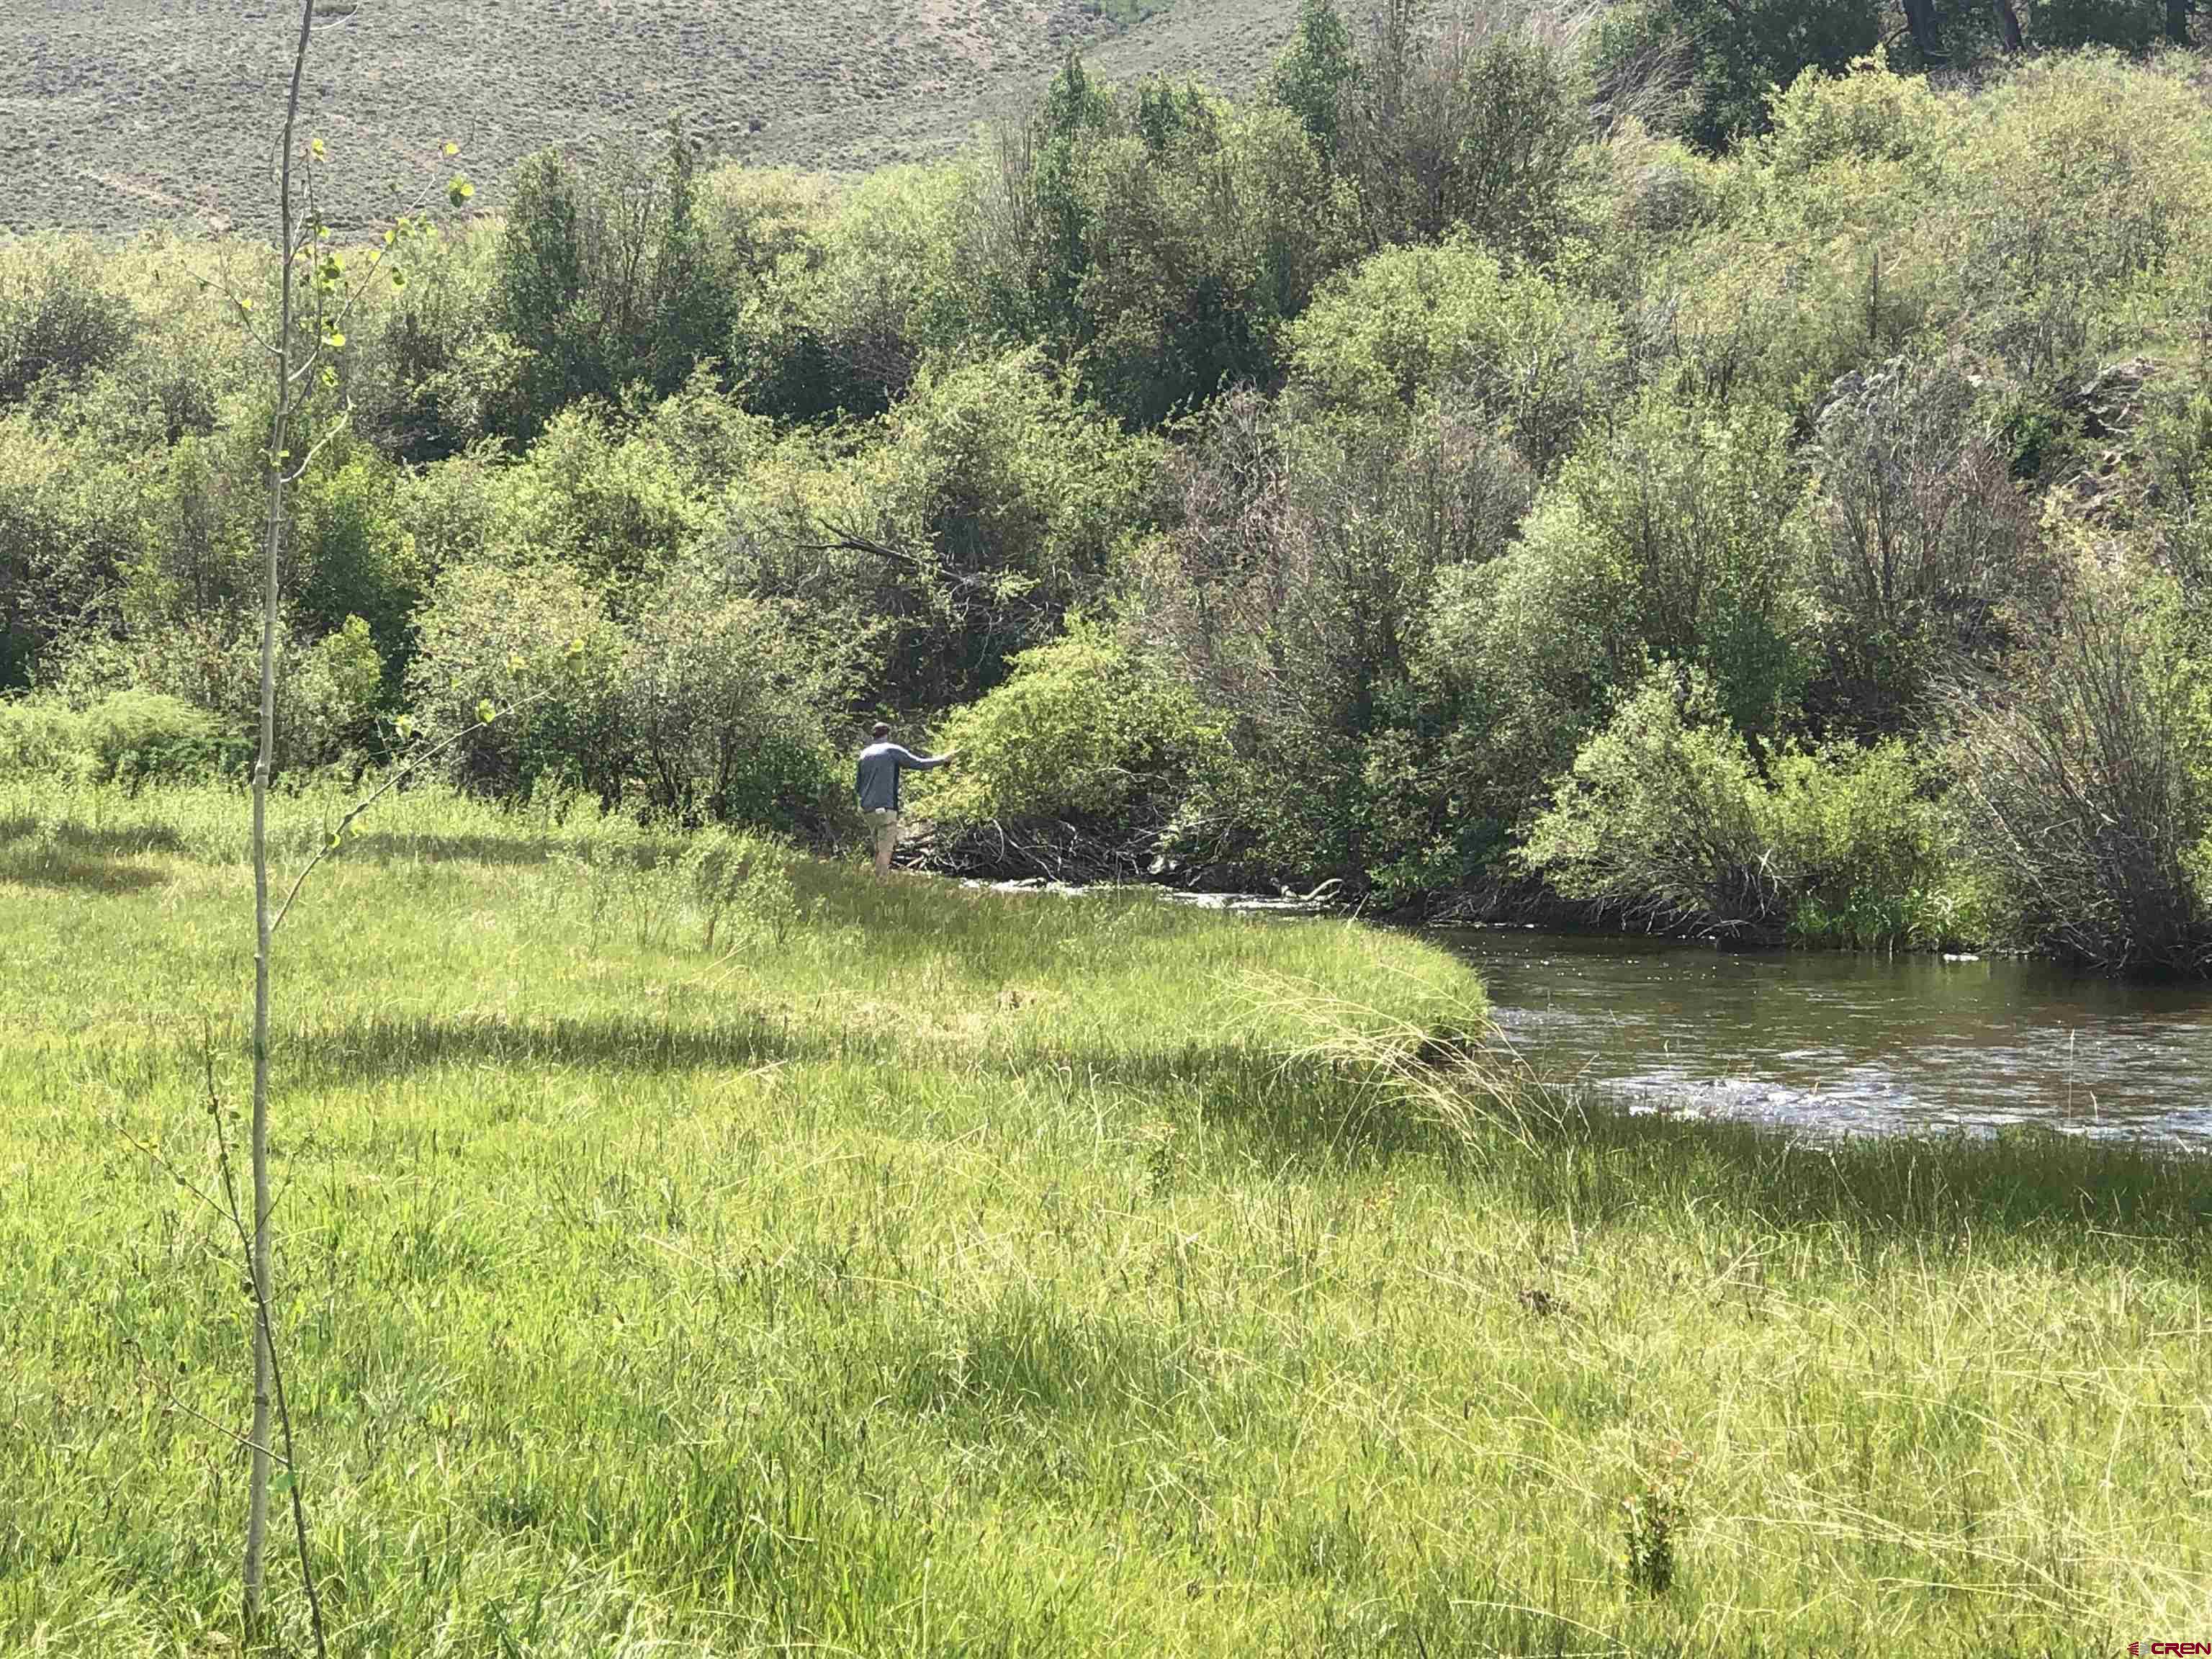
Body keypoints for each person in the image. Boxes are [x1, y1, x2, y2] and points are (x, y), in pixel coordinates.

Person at [855, 721, 957, 878]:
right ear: (887, 734)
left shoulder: (864, 754)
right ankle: (879, 885)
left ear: (873, 736)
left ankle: (871, 881)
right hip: (886, 809)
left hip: (867, 810)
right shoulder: (891, 750)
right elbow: (919, 764)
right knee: (885, 850)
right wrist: (943, 759)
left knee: (877, 848)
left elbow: (858, 787)